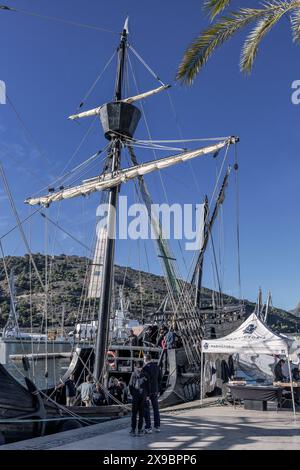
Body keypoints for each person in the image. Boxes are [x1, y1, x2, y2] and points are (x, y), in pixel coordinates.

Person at [129, 362, 149, 436]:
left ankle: (136, 430)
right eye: (138, 367)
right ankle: (136, 430)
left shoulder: (137, 374)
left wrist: (133, 394)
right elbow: (130, 385)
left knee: (137, 414)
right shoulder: (140, 374)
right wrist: (147, 395)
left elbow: (131, 385)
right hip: (140, 396)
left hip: (139, 396)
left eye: (138, 367)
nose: (138, 368)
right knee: (138, 414)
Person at [143, 354, 162, 433]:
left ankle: (148, 427)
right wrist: (158, 390)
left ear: (145, 359)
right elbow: (160, 379)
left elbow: (144, 381)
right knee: (156, 409)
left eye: (143, 359)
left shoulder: (145, 368)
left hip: (148, 392)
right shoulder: (157, 367)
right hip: (155, 391)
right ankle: (157, 426)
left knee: (146, 409)